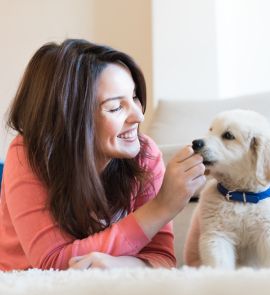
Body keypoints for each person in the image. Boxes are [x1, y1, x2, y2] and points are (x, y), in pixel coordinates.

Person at [0, 39, 206, 271]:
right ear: (69, 119)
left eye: (135, 97)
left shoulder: (145, 154)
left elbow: (162, 259)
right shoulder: (29, 152)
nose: (138, 116)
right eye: (116, 107)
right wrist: (160, 208)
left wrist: (117, 265)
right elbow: (51, 262)